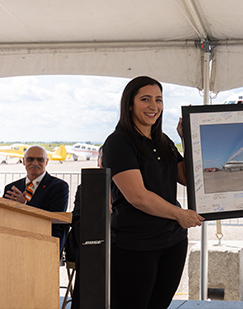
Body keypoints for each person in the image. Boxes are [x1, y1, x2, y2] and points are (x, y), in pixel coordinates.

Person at [103, 76, 204, 309]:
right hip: (135, 246)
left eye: (158, 100)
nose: (153, 106)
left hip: (172, 242)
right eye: (145, 99)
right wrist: (180, 214)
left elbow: (187, 178)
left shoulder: (163, 141)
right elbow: (137, 196)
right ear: (130, 104)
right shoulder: (118, 143)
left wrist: (186, 138)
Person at [3, 145, 69, 250]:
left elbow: (56, 218)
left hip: (46, 242)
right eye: (30, 159)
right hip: (15, 242)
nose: (35, 163)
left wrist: (25, 204)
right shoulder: (11, 188)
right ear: (23, 161)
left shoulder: (59, 186)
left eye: (40, 159)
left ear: (46, 162)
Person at [64, 145, 104, 309]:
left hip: (116, 241)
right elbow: (76, 217)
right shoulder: (85, 187)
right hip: (87, 242)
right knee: (91, 246)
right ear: (98, 161)